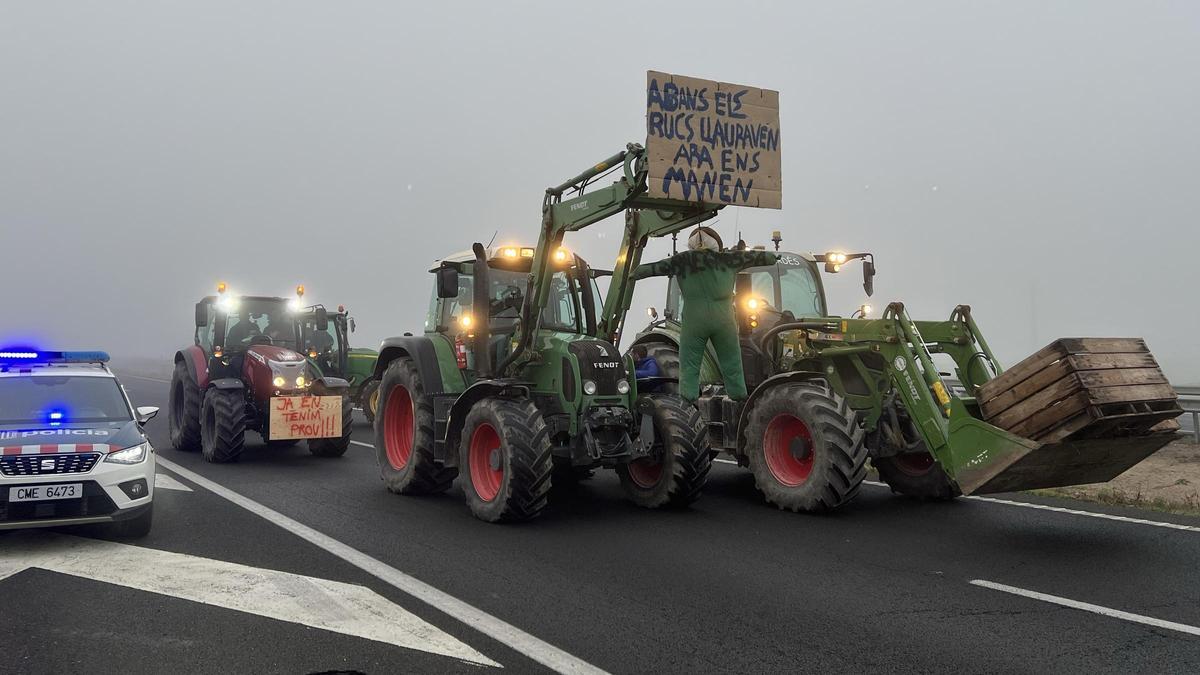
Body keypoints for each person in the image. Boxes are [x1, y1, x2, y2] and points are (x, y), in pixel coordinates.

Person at [632, 226, 777, 402]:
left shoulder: (683, 260)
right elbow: (754, 257)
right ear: (716, 243)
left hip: (695, 319)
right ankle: (738, 393)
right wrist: (771, 257)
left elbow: (657, 267)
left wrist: (636, 272)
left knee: (690, 362)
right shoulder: (728, 259)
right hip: (723, 319)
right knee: (731, 359)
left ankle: (688, 396)